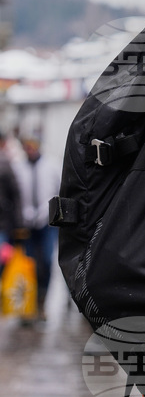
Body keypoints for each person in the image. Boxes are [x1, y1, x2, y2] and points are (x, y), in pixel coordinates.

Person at [11, 136, 61, 321]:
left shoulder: (52, 166)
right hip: (25, 224)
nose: (30, 149)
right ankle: (28, 304)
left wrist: (48, 213)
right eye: (27, 146)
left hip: (46, 223)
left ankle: (42, 300)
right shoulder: (18, 167)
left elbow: (59, 191)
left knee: (46, 261)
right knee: (28, 263)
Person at [0, 131, 23, 260]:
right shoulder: (5, 163)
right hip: (4, 222)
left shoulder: (5, 163)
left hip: (3, 222)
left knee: (4, 258)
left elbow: (15, 194)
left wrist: (18, 222)